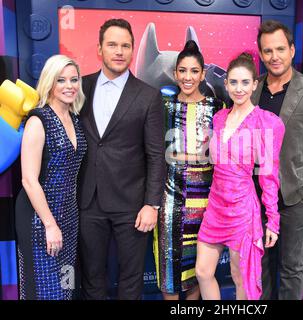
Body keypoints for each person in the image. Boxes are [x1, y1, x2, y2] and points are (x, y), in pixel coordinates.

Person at [78, 18, 166, 300]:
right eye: (112, 45)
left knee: (131, 279)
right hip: (87, 200)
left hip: (132, 205)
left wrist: (151, 204)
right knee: (92, 277)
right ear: (99, 49)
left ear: (132, 50)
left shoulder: (148, 96)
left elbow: (156, 155)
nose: (119, 51)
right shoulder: (79, 88)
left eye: (126, 45)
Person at [195, 53, 285, 300]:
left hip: (242, 210)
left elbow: (269, 176)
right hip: (215, 207)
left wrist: (273, 222)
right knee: (203, 271)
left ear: (255, 84)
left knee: (239, 277)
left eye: (245, 82)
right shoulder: (219, 118)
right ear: (226, 85)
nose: (239, 88)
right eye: (233, 82)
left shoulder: (266, 123)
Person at [251, 20, 303, 300]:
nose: (275, 56)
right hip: (256, 196)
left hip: (294, 195)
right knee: (260, 265)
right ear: (260, 54)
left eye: (280, 49)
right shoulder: (252, 89)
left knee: (291, 267)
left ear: (292, 50)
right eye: (268, 50)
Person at [153, 40, 223, 300]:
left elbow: (219, 157)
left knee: (197, 270)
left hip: (206, 201)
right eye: (182, 71)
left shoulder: (218, 109)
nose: (188, 77)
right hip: (169, 198)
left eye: (194, 71)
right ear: (175, 74)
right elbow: (155, 152)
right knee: (169, 269)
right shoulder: (162, 107)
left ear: (203, 74)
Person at [15, 54, 87, 300]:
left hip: (68, 217)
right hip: (40, 220)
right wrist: (49, 224)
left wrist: (61, 222)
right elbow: (28, 180)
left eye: (74, 80)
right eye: (61, 80)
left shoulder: (75, 119)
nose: (69, 86)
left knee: (66, 287)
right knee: (45, 290)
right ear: (49, 83)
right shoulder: (39, 119)